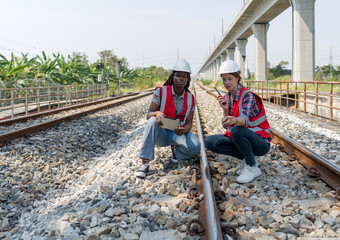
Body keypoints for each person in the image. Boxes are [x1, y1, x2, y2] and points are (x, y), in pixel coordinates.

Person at [205, 60, 271, 183]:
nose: (227, 83)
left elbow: (243, 121)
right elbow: (226, 126)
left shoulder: (248, 96)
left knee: (237, 129)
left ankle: (252, 167)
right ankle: (246, 158)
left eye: (230, 79)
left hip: (260, 142)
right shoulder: (227, 97)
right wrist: (225, 111)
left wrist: (234, 120)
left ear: (237, 78)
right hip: (242, 137)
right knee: (209, 142)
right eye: (224, 79)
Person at [136, 59, 201, 178]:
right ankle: (145, 162)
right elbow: (149, 114)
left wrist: (184, 130)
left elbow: (189, 122)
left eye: (184, 76)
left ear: (188, 79)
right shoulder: (161, 92)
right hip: (162, 133)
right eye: (178, 75)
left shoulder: (190, 98)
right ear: (173, 76)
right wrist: (157, 113)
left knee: (196, 147)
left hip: (177, 133)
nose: (181, 78)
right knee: (152, 120)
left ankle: (177, 152)